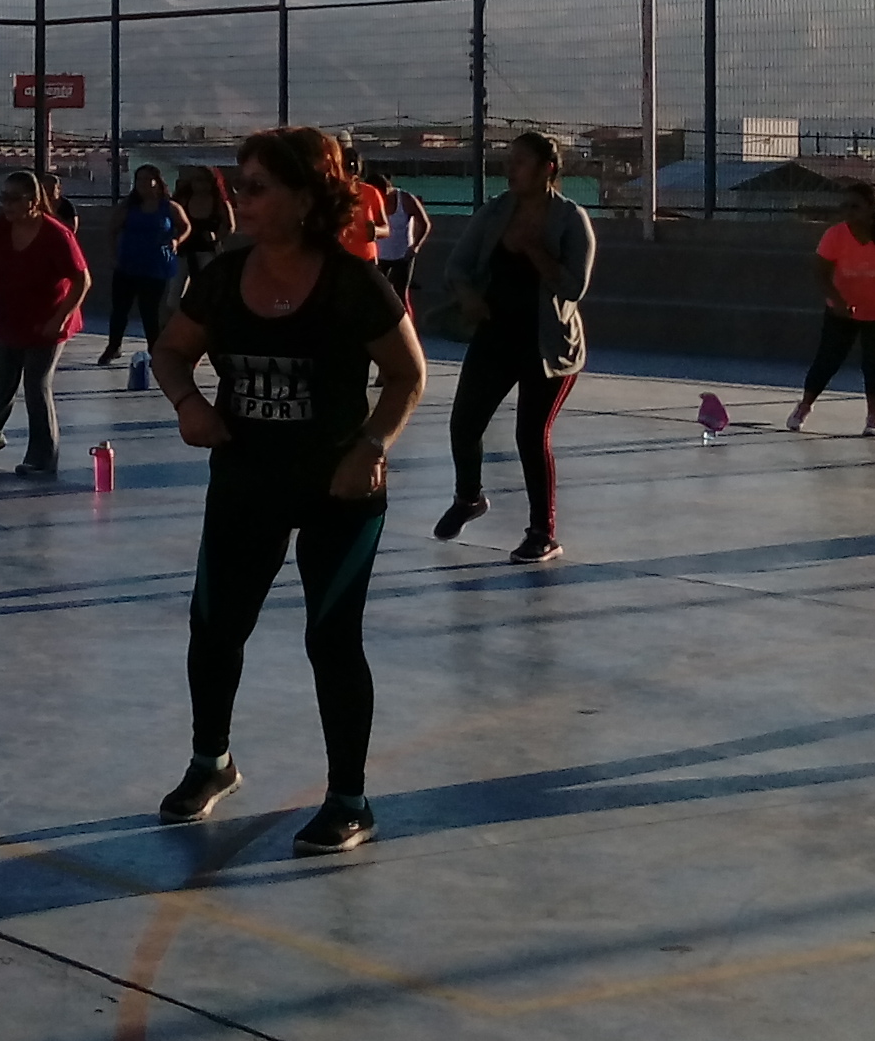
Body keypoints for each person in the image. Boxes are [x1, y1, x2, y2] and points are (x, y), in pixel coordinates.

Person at [150, 126, 429, 855]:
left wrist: (371, 446)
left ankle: (350, 801)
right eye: (239, 185)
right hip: (247, 482)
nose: (240, 199)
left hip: (338, 486)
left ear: (305, 198)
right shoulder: (222, 277)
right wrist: (189, 404)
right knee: (215, 625)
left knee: (331, 638)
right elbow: (172, 351)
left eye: (257, 187)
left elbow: (408, 374)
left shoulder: (352, 283)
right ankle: (211, 761)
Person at [425, 131, 596, 562]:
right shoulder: (495, 211)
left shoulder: (571, 219)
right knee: (464, 423)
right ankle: (469, 498)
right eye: (509, 160)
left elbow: (574, 287)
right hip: (495, 335)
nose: (510, 169)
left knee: (530, 435)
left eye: (520, 161)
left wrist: (535, 250)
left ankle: (542, 533)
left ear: (547, 169)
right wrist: (467, 295)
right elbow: (457, 265)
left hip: (548, 344)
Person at [0, 171, 89, 476]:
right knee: (3, 381)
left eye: (14, 198)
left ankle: (42, 459)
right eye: (3, 197)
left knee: (36, 385)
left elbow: (82, 280)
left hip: (49, 320)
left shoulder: (56, 234)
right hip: (11, 317)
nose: (6, 204)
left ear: (32, 201)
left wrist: (59, 319)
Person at [788, 181, 875, 436]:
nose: (848, 212)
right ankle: (804, 407)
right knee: (827, 360)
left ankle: (873, 418)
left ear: (872, 208)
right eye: (845, 206)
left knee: (874, 364)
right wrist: (838, 302)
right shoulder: (835, 235)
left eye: (855, 207)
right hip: (842, 311)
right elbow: (821, 273)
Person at [95, 166, 189, 366]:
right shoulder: (128, 207)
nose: (143, 184)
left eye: (148, 179)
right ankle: (114, 346)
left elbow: (185, 226)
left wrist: (176, 240)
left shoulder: (169, 207)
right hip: (128, 263)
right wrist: (113, 255)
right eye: (139, 179)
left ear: (157, 182)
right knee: (120, 309)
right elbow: (112, 230)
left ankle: (155, 349)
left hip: (155, 265)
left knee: (150, 311)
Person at [371, 179, 433, 300]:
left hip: (403, 255)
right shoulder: (370, 200)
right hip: (378, 256)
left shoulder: (405, 199)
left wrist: (415, 247)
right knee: (377, 294)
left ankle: (406, 313)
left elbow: (425, 224)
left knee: (401, 294)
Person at [173, 164, 234, 274]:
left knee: (207, 277)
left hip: (207, 249)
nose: (198, 183)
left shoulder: (219, 202)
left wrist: (216, 237)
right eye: (195, 179)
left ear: (211, 182)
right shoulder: (184, 199)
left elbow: (229, 226)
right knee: (176, 282)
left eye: (202, 179)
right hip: (184, 249)